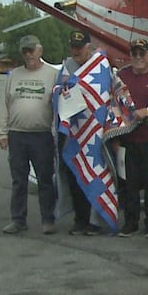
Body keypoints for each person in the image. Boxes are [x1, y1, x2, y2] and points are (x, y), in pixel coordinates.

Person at [54, 29, 121, 235]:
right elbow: (56, 91)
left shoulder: (101, 67)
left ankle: (96, 221)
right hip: (73, 134)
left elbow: (107, 94)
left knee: (97, 174)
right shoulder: (66, 68)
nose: (76, 51)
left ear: (88, 47)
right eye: (73, 47)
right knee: (76, 177)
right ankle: (80, 219)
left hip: (95, 133)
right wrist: (61, 90)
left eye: (79, 47)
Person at [0, 34, 60, 235]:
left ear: (40, 50)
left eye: (31, 50)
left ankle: (48, 219)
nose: (28, 54)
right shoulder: (14, 75)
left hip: (41, 135)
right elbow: (5, 105)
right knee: (18, 180)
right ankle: (18, 219)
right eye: (25, 51)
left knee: (45, 180)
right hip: (17, 135)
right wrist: (2, 132)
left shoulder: (53, 75)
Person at [112, 38, 148, 237]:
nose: (138, 58)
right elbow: (115, 105)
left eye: (142, 54)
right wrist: (130, 116)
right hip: (128, 139)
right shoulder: (121, 76)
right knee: (129, 184)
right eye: (134, 54)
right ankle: (130, 223)